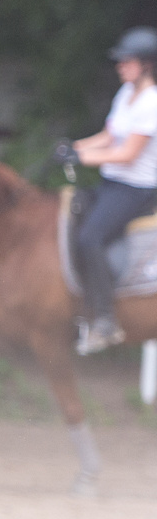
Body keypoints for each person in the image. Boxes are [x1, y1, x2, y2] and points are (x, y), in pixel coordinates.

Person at [72, 25, 157, 354]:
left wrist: (81, 157)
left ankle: (106, 321)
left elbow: (127, 154)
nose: (120, 66)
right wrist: (72, 147)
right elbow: (108, 137)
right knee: (71, 217)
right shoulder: (125, 95)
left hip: (135, 190)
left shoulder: (151, 103)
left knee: (89, 238)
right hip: (112, 184)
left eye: (127, 61)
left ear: (146, 65)